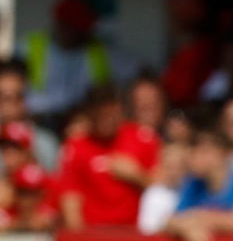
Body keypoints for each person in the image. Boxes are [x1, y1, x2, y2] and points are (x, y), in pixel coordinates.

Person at [57, 84, 160, 230]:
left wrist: (137, 175)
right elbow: (70, 199)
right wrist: (79, 237)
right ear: (89, 113)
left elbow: (163, 191)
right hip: (93, 233)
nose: (105, 118)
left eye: (109, 111)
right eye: (99, 112)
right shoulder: (75, 147)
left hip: (136, 233)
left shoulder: (144, 139)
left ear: (119, 109)